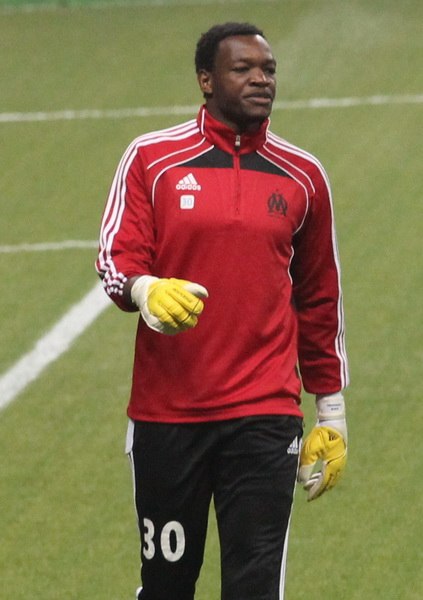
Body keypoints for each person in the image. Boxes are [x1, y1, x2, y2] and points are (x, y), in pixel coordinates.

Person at [96, 22, 349, 600]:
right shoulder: (151, 160)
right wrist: (143, 290)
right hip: (168, 417)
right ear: (206, 80)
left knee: (255, 588)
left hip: (265, 415)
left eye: (269, 70)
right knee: (165, 587)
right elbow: (117, 258)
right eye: (244, 69)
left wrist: (331, 414)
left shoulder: (303, 176)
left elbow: (319, 298)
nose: (261, 79)